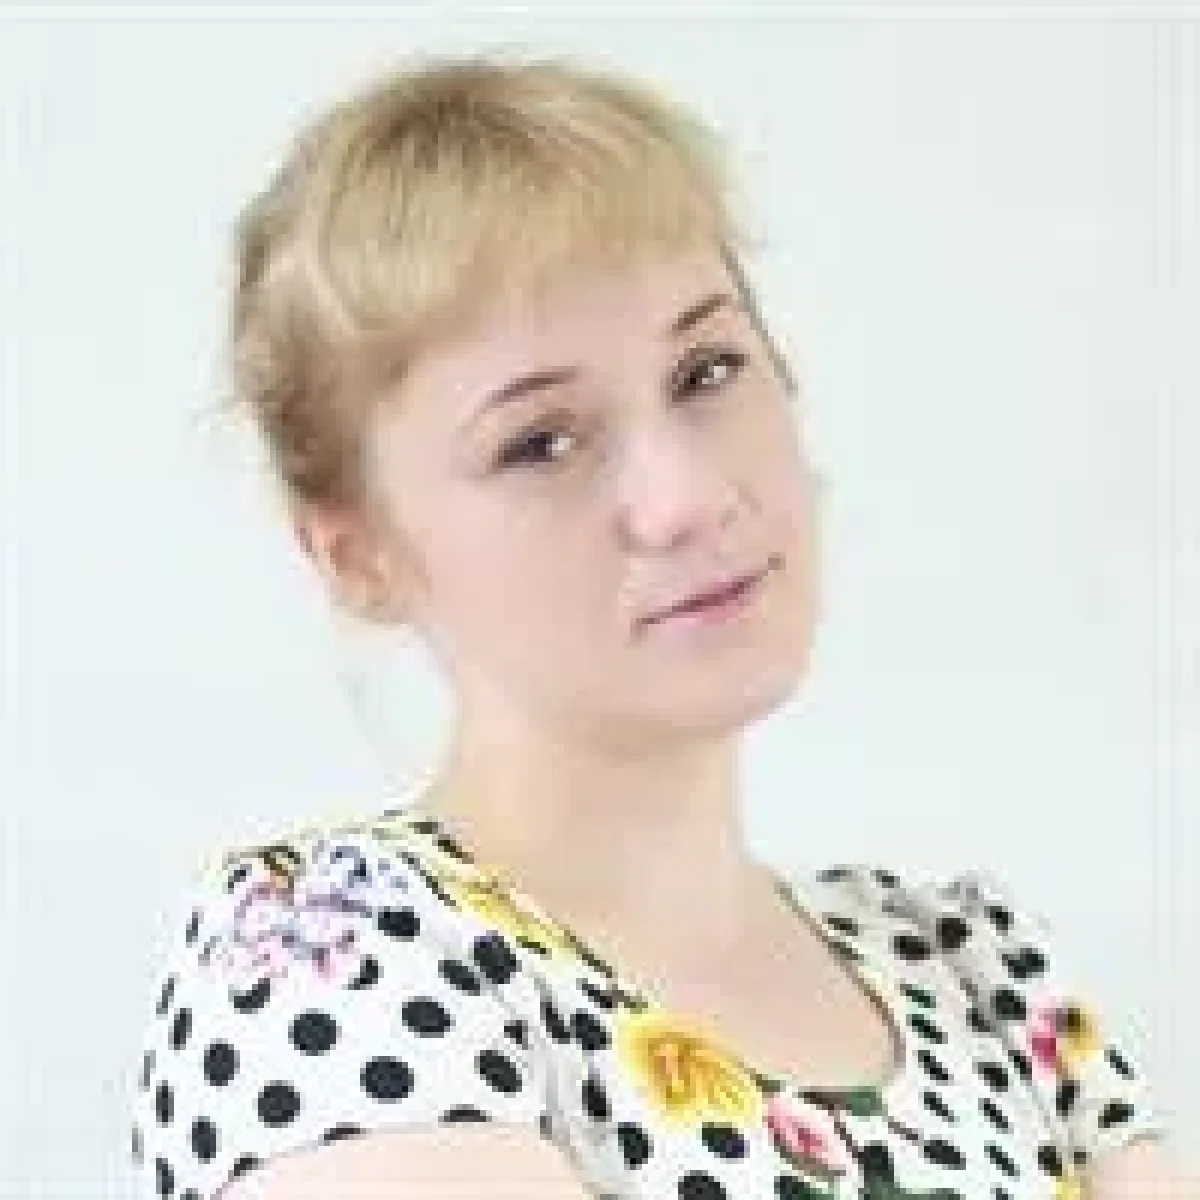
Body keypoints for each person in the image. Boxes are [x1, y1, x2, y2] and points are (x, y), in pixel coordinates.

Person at [128, 50, 1191, 1200]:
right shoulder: (324, 966)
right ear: (359, 555)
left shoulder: (979, 971)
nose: (685, 498)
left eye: (707, 370)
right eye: (539, 443)